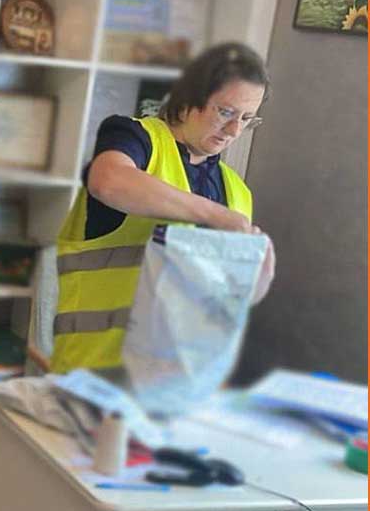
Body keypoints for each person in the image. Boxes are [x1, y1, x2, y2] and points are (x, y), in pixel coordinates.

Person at [51, 42, 277, 372]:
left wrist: (253, 277)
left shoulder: (238, 193)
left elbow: (222, 304)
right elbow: (108, 181)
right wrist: (214, 215)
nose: (234, 131)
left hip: (179, 379)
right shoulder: (135, 139)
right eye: (226, 112)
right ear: (190, 97)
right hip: (97, 373)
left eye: (246, 119)